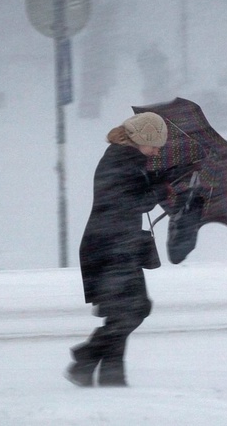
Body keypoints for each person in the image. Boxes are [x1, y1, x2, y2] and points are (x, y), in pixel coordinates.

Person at [66, 112, 169, 387]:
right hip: (110, 247)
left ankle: (111, 377)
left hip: (112, 244)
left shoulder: (123, 159)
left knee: (122, 312)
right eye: (155, 144)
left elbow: (136, 196)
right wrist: (161, 187)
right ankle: (86, 357)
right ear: (141, 139)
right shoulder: (122, 161)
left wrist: (158, 181)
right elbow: (137, 201)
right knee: (135, 309)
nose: (157, 150)